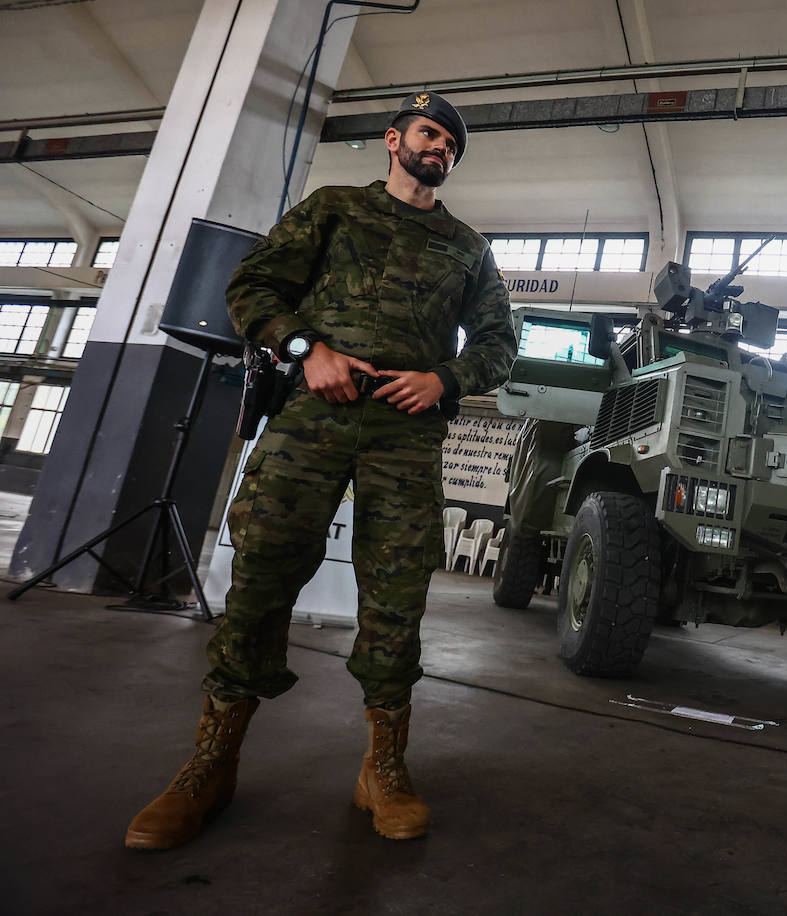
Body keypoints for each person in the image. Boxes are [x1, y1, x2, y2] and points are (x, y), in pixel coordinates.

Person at [125, 91, 516, 849]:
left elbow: (500, 338)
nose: (440, 148)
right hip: (314, 418)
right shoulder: (332, 208)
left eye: (451, 145)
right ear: (393, 138)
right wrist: (307, 350)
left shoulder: (467, 246)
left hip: (406, 434)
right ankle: (211, 764)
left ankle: (383, 770)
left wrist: (447, 378)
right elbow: (252, 288)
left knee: (398, 595)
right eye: (429, 134)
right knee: (264, 573)